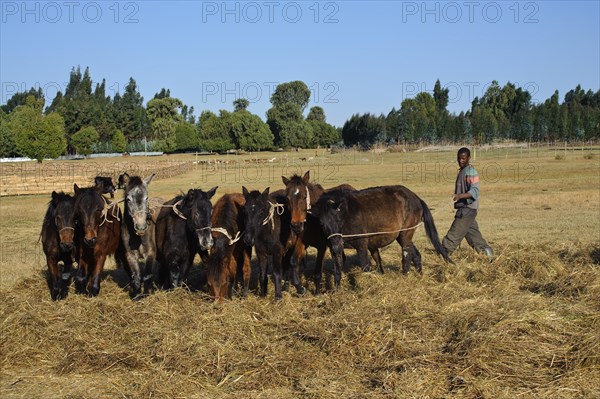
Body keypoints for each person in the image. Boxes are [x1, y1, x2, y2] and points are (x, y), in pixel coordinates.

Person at [442, 147, 493, 258]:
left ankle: (444, 254)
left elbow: (474, 192)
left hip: (468, 208)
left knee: (453, 235)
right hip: (464, 208)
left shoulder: (471, 172)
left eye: (463, 158)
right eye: (459, 158)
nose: (461, 161)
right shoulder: (462, 171)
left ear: (469, 158)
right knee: (473, 236)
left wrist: (459, 196)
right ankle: (487, 253)